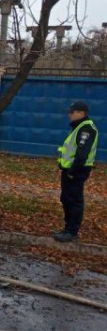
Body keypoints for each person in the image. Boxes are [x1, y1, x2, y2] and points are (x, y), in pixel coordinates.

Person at [54, 101, 99, 243]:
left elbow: (82, 154)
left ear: (81, 113)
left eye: (72, 112)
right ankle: (67, 228)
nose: (69, 114)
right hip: (70, 169)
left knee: (73, 200)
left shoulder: (86, 129)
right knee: (66, 199)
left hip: (77, 170)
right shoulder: (79, 127)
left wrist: (72, 171)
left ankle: (72, 232)